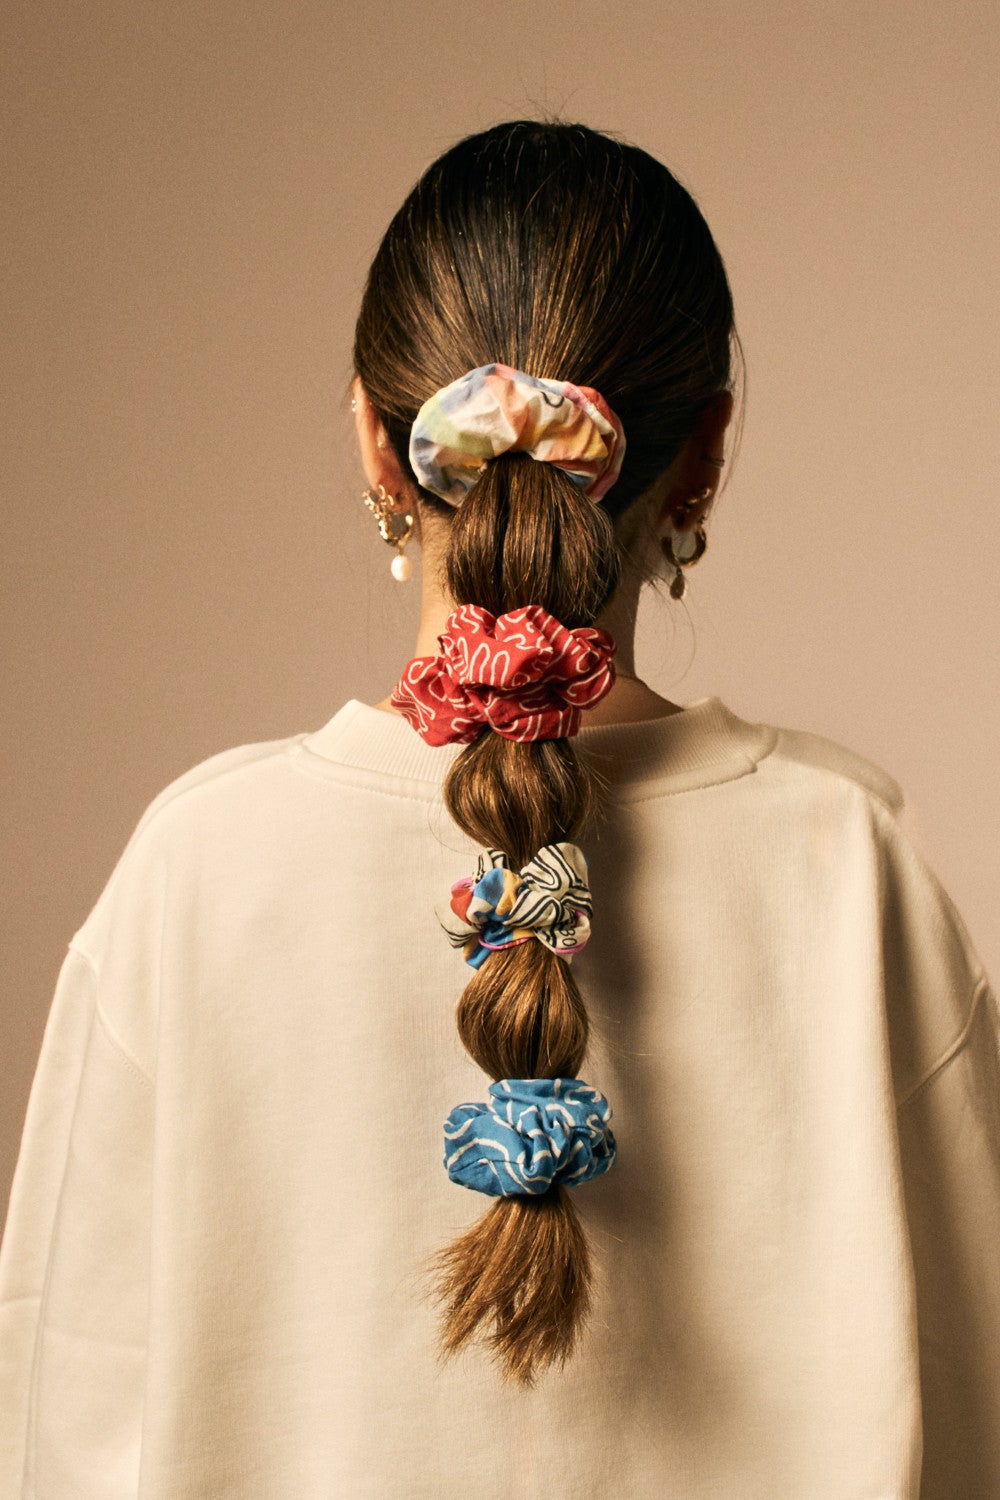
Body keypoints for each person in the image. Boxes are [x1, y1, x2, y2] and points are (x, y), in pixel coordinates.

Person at [1, 118, 997, 1500]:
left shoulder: (195, 873)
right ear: (704, 454)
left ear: (377, 439)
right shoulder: (849, 868)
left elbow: (59, 1428)